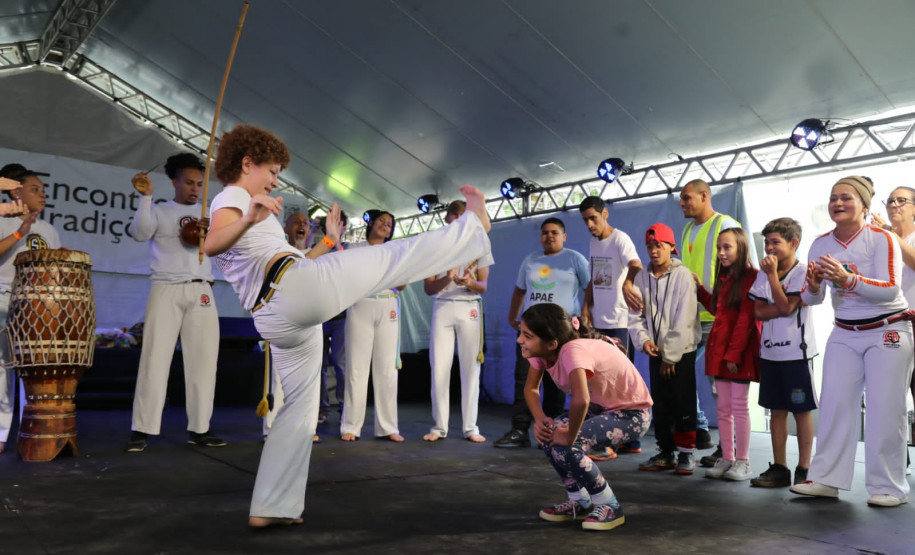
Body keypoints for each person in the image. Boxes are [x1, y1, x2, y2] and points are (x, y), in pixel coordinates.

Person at [204, 124, 491, 527]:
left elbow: (294, 260)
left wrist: (329, 242)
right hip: (291, 292)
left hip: (276, 313)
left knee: (298, 411)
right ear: (246, 163)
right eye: (271, 171)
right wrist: (250, 216)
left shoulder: (252, 212)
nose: (274, 180)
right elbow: (211, 243)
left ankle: (273, 506)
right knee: (390, 259)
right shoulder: (235, 196)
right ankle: (473, 229)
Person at [791, 176, 913, 507]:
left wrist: (849, 279)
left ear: (863, 204)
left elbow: (891, 289)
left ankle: (889, 487)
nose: (838, 203)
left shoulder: (883, 238)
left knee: (885, 409)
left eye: (846, 197)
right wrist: (815, 283)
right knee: (833, 405)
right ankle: (826, 479)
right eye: (833, 198)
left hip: (887, 330)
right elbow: (810, 298)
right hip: (844, 331)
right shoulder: (819, 244)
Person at [124, 154, 225, 453]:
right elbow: (140, 233)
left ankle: (200, 428)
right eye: (189, 183)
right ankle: (142, 428)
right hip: (165, 288)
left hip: (201, 289)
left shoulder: (209, 214)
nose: (195, 188)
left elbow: (225, 248)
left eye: (199, 184)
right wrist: (146, 198)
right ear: (175, 182)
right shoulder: (159, 210)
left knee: (204, 362)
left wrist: (214, 232)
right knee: (154, 358)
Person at [520, 303, 651, 531]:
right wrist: (541, 418)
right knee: (549, 436)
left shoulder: (572, 350)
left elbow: (581, 400)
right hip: (601, 409)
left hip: (632, 414)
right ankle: (579, 501)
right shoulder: (542, 352)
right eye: (521, 333)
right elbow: (531, 389)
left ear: (551, 343)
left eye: (527, 336)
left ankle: (609, 505)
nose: (520, 340)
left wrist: (570, 436)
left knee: (567, 445)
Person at [494, 218, 590, 448]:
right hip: (532, 331)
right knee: (524, 379)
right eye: (545, 233)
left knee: (557, 382)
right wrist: (512, 316)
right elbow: (519, 290)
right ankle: (519, 430)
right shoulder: (531, 260)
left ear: (564, 236)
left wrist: (585, 315)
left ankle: (551, 431)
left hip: (561, 331)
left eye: (554, 232)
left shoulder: (575, 259)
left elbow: (591, 289)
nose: (549, 236)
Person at [748, 218, 818, 488]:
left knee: (801, 411)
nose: (769, 248)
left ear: (794, 243)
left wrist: (775, 284)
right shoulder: (763, 273)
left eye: (775, 242)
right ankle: (780, 467)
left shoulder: (802, 272)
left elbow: (786, 307)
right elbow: (759, 311)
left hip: (796, 355)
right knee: (775, 410)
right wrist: (784, 302)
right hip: (770, 354)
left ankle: (804, 467)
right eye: (766, 242)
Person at [630, 223, 701, 474]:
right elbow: (635, 315)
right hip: (657, 351)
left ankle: (686, 454)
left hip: (681, 352)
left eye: (658, 245)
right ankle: (666, 452)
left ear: (672, 247)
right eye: (649, 245)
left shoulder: (683, 276)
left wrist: (670, 357)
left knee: (683, 401)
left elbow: (684, 320)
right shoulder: (641, 277)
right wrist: (643, 341)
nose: (653, 250)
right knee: (661, 403)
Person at [679, 179, 741, 459]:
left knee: (723, 383)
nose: (682, 203)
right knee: (681, 372)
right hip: (690, 316)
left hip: (719, 316)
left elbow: (739, 269)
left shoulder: (725, 223)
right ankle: (700, 428)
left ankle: (731, 446)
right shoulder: (687, 229)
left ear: (705, 196)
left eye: (687, 198)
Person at [578, 195, 644, 459]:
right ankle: (623, 439)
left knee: (620, 383)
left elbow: (636, 264)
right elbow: (594, 277)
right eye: (585, 220)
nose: (590, 224)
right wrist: (585, 307)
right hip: (600, 321)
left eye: (593, 218)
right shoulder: (594, 242)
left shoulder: (620, 239)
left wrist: (628, 283)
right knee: (601, 382)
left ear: (605, 213)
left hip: (620, 321)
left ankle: (619, 440)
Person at [423, 200, 493, 443]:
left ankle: (470, 427)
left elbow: (483, 286)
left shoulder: (481, 246)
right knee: (440, 368)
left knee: (471, 369)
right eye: (456, 217)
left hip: (469, 307)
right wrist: (448, 279)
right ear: (448, 219)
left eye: (464, 218)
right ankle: (439, 426)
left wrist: (469, 283)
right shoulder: (435, 248)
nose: (460, 223)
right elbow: (428, 287)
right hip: (442, 307)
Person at [0, 164, 57, 455]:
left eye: (43, 190)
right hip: (3, 302)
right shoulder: (2, 219)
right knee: (1, 370)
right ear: (15, 191)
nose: (42, 194)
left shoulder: (48, 230)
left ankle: (32, 430)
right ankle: (0, 433)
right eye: (35, 189)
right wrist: (20, 232)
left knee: (33, 372)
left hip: (36, 310)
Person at [697, 227, 760, 481]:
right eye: (719, 248)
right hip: (720, 351)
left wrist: (734, 355)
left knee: (739, 407)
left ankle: (743, 461)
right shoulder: (724, 277)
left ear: (741, 247)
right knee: (723, 408)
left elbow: (746, 319)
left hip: (738, 353)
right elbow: (719, 311)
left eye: (727, 247)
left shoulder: (752, 277)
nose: (721, 253)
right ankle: (727, 457)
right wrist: (700, 289)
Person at [339, 210, 407, 442]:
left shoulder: (395, 252)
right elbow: (346, 278)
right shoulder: (355, 250)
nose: (385, 225)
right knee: (356, 368)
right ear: (372, 223)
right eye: (381, 221)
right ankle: (351, 426)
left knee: (387, 369)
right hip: (361, 305)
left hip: (388, 305)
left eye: (389, 224)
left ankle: (388, 427)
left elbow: (403, 285)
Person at [872, 187, 915, 475]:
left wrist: (890, 234)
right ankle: (899, 462)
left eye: (903, 200)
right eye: (891, 201)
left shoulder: (899, 239)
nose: (895, 205)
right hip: (890, 327)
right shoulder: (882, 241)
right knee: (889, 399)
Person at [319, 212, 348, 424]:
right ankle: (321, 407)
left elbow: (346, 268)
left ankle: (345, 407)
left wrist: (337, 243)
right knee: (317, 365)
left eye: (340, 225)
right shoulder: (319, 249)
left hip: (343, 316)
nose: (338, 228)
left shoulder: (349, 250)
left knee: (341, 363)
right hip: (320, 315)